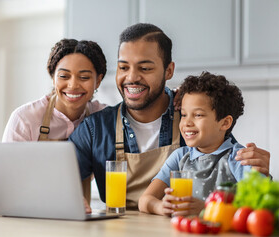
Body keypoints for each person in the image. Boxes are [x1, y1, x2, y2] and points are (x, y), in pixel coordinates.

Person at [69, 23, 271, 212]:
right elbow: (59, 179)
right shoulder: (95, 129)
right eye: (123, 67)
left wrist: (259, 170)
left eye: (145, 68)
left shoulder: (194, 120)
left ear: (169, 71)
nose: (131, 77)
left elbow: (240, 180)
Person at [138, 72, 251, 217]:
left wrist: (207, 208)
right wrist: (161, 206)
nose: (186, 123)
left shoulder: (238, 157)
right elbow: (144, 200)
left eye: (198, 115)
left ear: (225, 123)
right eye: (184, 115)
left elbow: (253, 207)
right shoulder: (180, 157)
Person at [2, 39, 107, 142]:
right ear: (53, 78)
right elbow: (8, 159)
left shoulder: (106, 118)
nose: (73, 85)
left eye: (84, 77)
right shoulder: (24, 119)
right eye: (64, 76)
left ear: (98, 81)